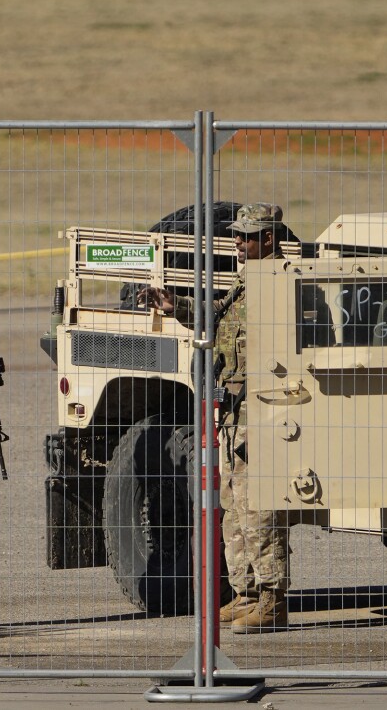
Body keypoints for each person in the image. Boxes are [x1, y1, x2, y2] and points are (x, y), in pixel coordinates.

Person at [138, 202, 292, 633]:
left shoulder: (281, 283)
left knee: (260, 506)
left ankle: (272, 597)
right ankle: (246, 591)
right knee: (234, 504)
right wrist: (176, 306)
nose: (238, 244)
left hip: (264, 410)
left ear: (268, 239)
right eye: (236, 236)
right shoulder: (247, 282)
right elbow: (217, 317)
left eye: (247, 237)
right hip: (235, 410)